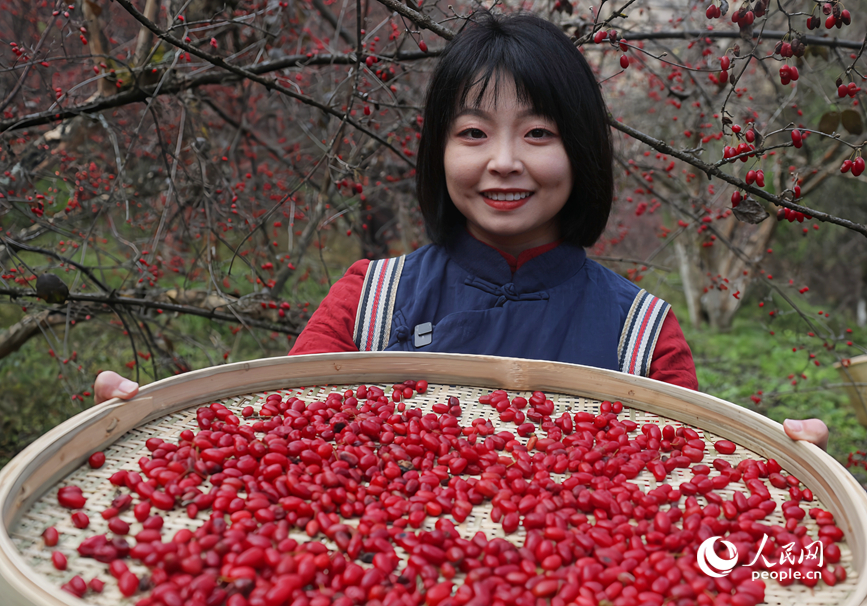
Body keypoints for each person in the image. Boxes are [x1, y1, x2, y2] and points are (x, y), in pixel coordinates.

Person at [95, 11, 828, 448]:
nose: (503, 162)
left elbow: (694, 490)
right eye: (473, 133)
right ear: (438, 152)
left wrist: (785, 462)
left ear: (580, 150)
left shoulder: (641, 337)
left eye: (538, 133)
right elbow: (275, 437)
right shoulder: (368, 301)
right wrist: (159, 423)